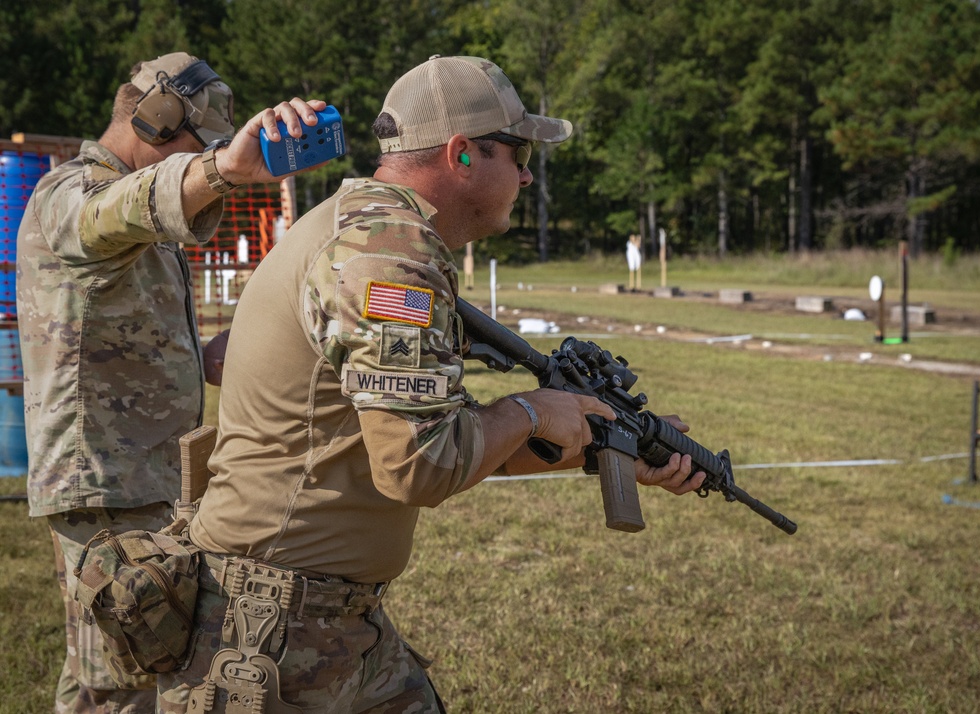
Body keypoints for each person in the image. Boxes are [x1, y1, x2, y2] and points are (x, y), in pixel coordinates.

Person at [157, 55, 707, 713]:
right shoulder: (386, 256)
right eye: (520, 150)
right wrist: (533, 410)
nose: (529, 173)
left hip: (315, 616)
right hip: (271, 630)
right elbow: (420, 467)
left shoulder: (374, 231)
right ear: (463, 154)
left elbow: (436, 433)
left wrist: (599, 442)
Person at [16, 51, 327, 713]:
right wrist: (222, 169)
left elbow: (128, 324)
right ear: (154, 122)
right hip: (107, 489)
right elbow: (116, 212)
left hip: (141, 484)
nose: (200, 167)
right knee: (126, 685)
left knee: (104, 676)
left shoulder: (135, 220)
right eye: (195, 147)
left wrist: (220, 351)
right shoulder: (71, 193)